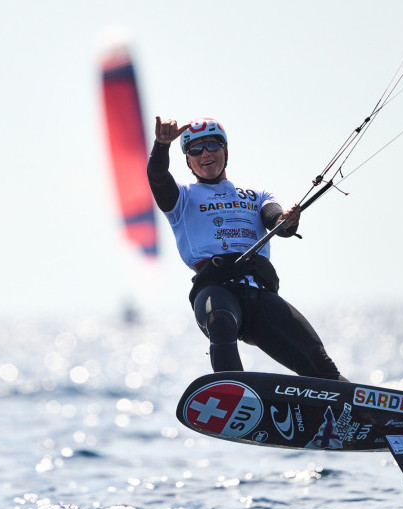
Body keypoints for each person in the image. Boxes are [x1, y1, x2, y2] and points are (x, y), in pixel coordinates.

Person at [147, 116, 346, 381]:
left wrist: (286, 220)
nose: (205, 153)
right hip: (216, 293)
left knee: (319, 363)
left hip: (259, 296)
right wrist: (161, 146)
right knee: (220, 321)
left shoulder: (256, 195)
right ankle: (233, 393)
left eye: (212, 146)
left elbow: (276, 221)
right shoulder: (181, 198)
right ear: (188, 160)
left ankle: (365, 415)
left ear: (225, 151)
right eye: (195, 149)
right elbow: (158, 176)